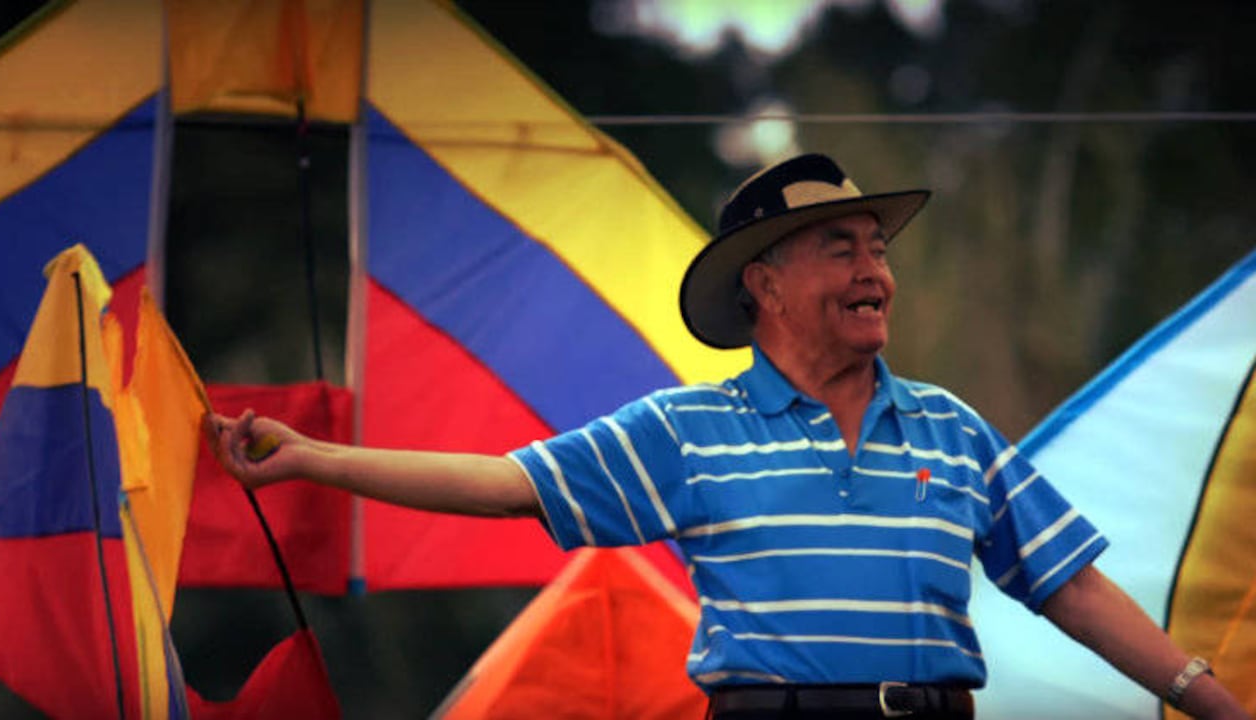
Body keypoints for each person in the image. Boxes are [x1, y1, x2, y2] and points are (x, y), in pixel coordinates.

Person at [207, 154, 1250, 720]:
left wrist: (1202, 695)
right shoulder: (686, 430)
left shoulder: (950, 426)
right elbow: (503, 482)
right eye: (837, 248)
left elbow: (1066, 584)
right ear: (762, 284)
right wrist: (310, 458)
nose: (872, 271)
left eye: (875, 249)